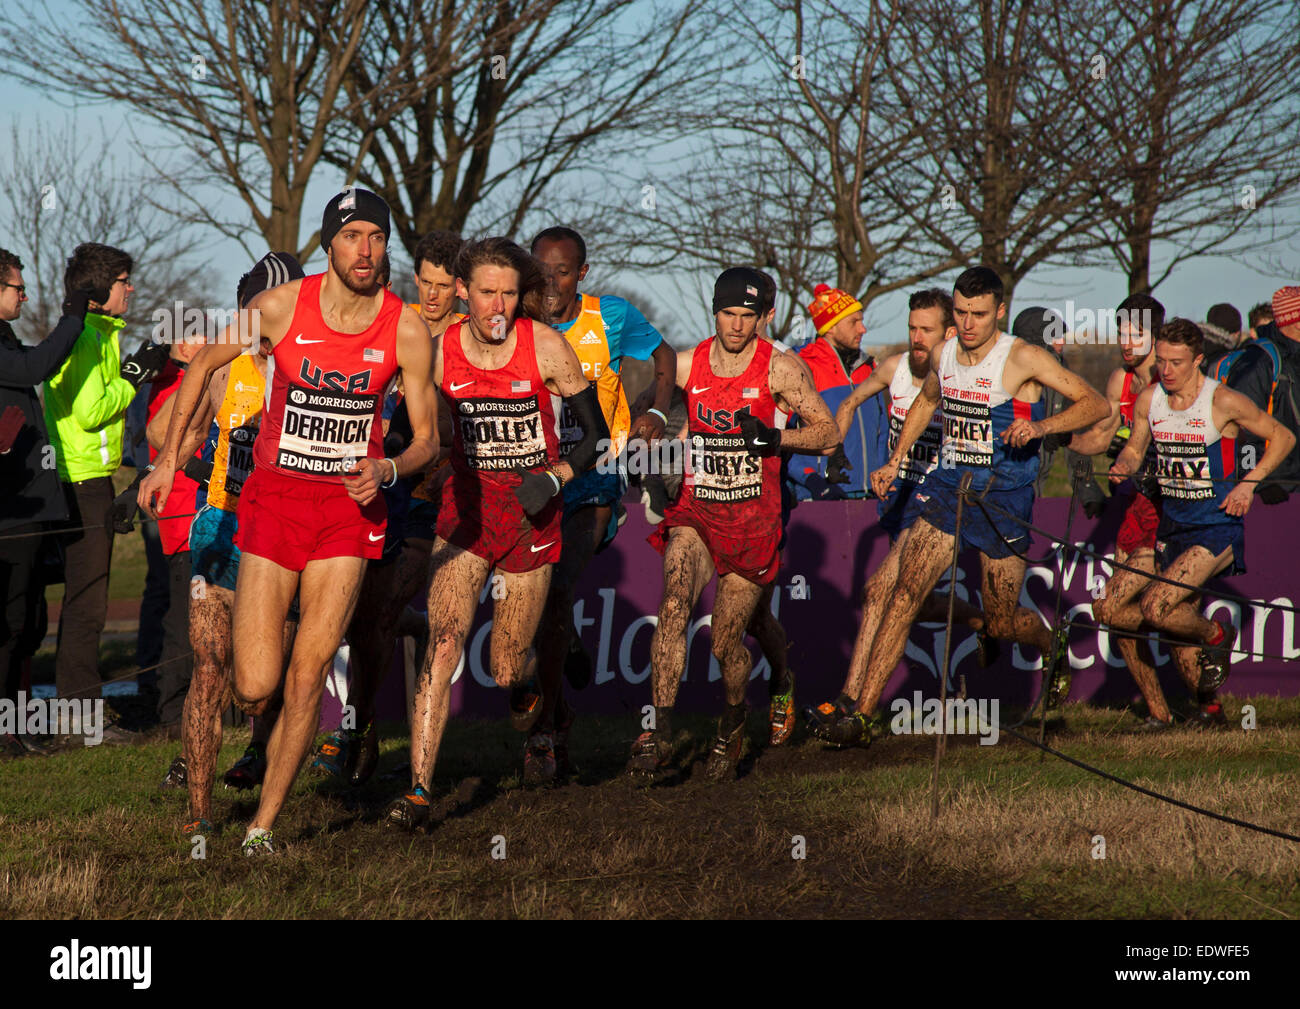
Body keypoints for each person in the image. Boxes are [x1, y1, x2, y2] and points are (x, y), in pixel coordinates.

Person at [140, 189, 437, 855]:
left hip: (347, 513)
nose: (366, 248)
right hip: (272, 503)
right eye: (352, 235)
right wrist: (166, 460)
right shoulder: (281, 306)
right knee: (254, 684)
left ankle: (262, 826)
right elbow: (205, 365)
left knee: (309, 674)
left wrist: (388, 471)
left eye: (376, 237)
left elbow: (427, 440)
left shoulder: (404, 328)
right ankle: (254, 758)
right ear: (329, 245)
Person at [827, 267, 1108, 742]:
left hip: (1004, 499)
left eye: (979, 314)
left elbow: (1095, 403)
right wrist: (896, 461)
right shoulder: (945, 352)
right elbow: (926, 402)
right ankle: (859, 713)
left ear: (1000, 311)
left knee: (999, 620)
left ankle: (1048, 640)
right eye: (960, 312)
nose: (969, 323)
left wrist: (1040, 429)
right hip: (949, 487)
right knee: (904, 593)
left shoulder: (1022, 357)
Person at [386, 237, 603, 829]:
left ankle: (542, 693)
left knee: (508, 669)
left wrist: (555, 479)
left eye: (509, 293)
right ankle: (419, 791)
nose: (498, 306)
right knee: (444, 642)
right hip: (465, 515)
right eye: (487, 293)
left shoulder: (547, 347)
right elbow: (407, 431)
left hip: (532, 518)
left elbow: (596, 436)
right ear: (463, 291)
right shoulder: (435, 352)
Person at [627, 267, 838, 781]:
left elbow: (828, 433)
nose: (737, 326)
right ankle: (659, 728)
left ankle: (739, 712)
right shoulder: (686, 363)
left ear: (763, 317)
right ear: (714, 311)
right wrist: (647, 430)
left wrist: (773, 439)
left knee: (728, 641)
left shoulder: (780, 369)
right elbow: (641, 407)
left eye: (748, 316)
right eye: (728, 314)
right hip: (696, 513)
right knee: (674, 603)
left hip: (752, 522)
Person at [521, 225, 676, 784]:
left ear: (581, 273)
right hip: (535, 477)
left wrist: (656, 413)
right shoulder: (519, 325)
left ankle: (548, 734)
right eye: (542, 272)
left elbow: (664, 357)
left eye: (563, 272)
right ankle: (561, 695)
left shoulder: (610, 316)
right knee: (537, 592)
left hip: (596, 477)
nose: (552, 283)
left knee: (558, 584)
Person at [805, 288, 992, 743]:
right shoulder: (894, 368)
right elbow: (847, 404)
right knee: (909, 601)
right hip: (900, 498)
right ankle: (983, 622)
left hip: (938, 499)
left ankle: (852, 703)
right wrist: (832, 453)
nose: (916, 338)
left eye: (925, 329)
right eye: (911, 328)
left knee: (880, 592)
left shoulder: (960, 378)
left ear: (949, 332)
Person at [311, 236, 459, 787]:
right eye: (425, 282)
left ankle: (354, 728)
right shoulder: (398, 324)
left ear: (461, 287)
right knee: (366, 614)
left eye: (446, 286)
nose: (434, 294)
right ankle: (363, 729)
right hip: (388, 489)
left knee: (382, 607)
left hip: (439, 502)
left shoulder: (472, 340)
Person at [1110, 318, 1294, 726]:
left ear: (1198, 360)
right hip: (1172, 525)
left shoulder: (1222, 401)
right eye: (1161, 361)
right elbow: (1135, 449)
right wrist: (1123, 465)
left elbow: (1282, 437)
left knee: (1157, 607)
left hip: (1216, 526)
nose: (1167, 370)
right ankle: (1210, 710)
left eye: (1176, 362)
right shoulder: (1150, 399)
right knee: (1170, 630)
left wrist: (1248, 486)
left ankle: (1217, 636)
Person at [45, 243, 167, 709]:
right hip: (83, 480)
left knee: (83, 602)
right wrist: (132, 378)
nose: (131, 287)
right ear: (98, 291)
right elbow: (91, 410)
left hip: (81, 477)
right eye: (122, 281)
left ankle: (76, 711)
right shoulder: (89, 338)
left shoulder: (94, 333)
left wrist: (129, 370)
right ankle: (79, 717)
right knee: (88, 607)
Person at [0, 248, 109, 751]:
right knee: (11, 620)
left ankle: (13, 728)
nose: (24, 294)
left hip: (27, 505)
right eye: (17, 287)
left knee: (25, 620)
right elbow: (36, 368)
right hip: (10, 509)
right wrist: (73, 316)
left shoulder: (6, 336)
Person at [785, 283, 885, 501]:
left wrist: (887, 476)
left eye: (862, 321)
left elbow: (883, 432)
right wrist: (811, 479)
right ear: (830, 327)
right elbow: (783, 436)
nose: (863, 329)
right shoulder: (803, 367)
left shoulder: (870, 367)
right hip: (821, 495)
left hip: (872, 495)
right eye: (854, 322)